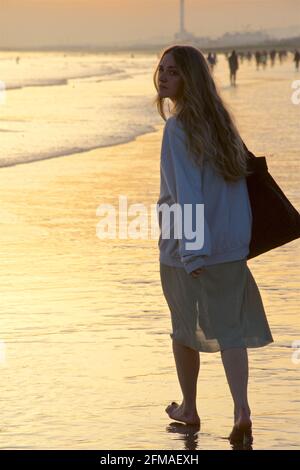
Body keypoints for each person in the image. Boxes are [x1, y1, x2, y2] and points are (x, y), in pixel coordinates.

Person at [153, 45, 274, 447]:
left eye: (173, 71)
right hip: (229, 245)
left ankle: (189, 407)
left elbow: (186, 192)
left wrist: (191, 250)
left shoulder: (178, 127)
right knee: (230, 330)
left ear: (190, 78)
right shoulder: (221, 121)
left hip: (187, 247)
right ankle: (241, 409)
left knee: (183, 328)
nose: (163, 77)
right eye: (161, 70)